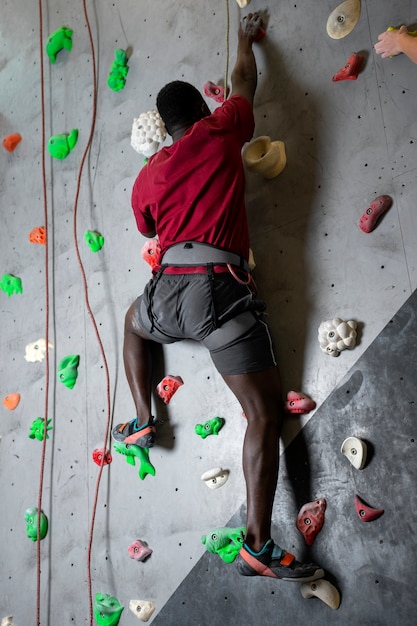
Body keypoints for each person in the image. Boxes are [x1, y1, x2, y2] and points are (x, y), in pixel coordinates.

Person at [113, 13, 324, 582]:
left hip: (166, 296)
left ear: (163, 127)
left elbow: (148, 228)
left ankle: (140, 420)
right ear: (202, 115)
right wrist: (243, 36)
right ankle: (257, 543)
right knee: (260, 413)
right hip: (218, 289)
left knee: (132, 323)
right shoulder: (223, 127)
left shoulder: (149, 175)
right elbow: (244, 81)